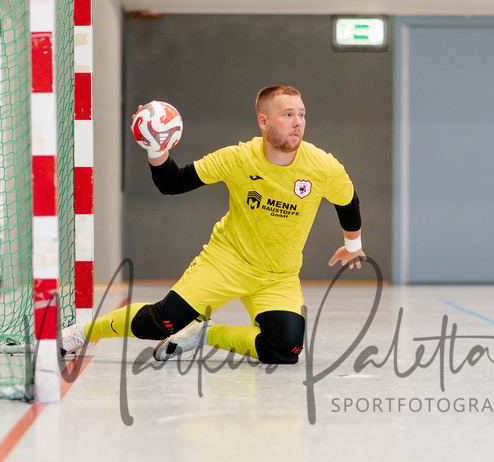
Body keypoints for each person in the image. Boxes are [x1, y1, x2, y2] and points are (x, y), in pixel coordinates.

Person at [60, 85, 366, 365]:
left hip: (278, 276)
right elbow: (174, 183)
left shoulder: (322, 166)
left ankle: (206, 333)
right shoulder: (238, 158)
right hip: (227, 262)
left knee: (285, 349)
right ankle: (81, 333)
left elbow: (347, 200)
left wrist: (353, 245)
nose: (297, 122)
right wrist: (155, 147)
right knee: (161, 322)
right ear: (263, 121)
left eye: (301, 114)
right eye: (287, 114)